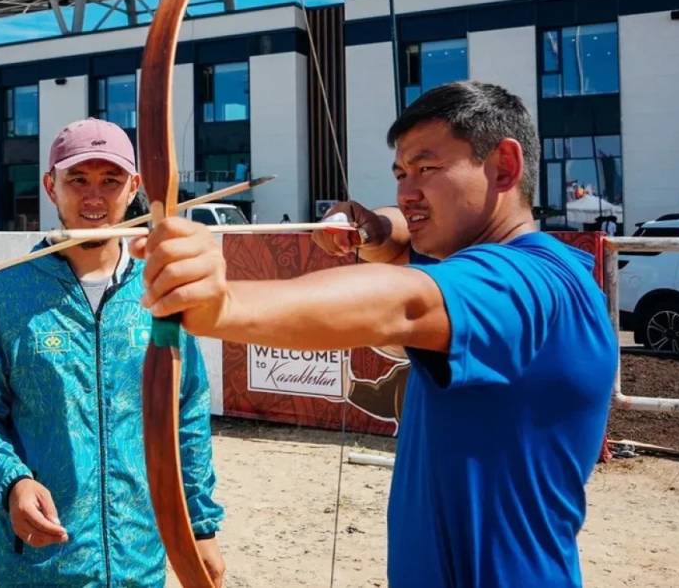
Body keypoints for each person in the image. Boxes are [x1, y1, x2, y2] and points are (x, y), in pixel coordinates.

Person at [132, 81, 616, 588]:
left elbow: (404, 303)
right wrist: (371, 230)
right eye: (401, 174)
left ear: (504, 167)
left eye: (427, 169)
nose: (407, 193)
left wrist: (223, 305)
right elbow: (403, 243)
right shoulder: (525, 266)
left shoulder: (526, 284)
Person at [0, 118, 225, 587]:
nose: (94, 197)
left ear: (133, 186)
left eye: (111, 180)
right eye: (77, 179)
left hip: (140, 560)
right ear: (50, 186)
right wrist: (12, 482)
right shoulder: (5, 293)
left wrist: (199, 526)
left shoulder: (160, 288)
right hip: (38, 564)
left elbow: (187, 413)